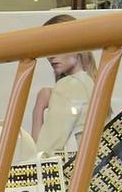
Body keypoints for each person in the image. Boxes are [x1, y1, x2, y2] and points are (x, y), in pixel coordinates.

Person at [31, 12, 98, 154]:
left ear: (75, 43)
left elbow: (43, 153)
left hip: (74, 174)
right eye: (46, 49)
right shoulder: (91, 82)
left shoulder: (68, 86)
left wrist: (38, 108)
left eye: (57, 46)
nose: (50, 56)